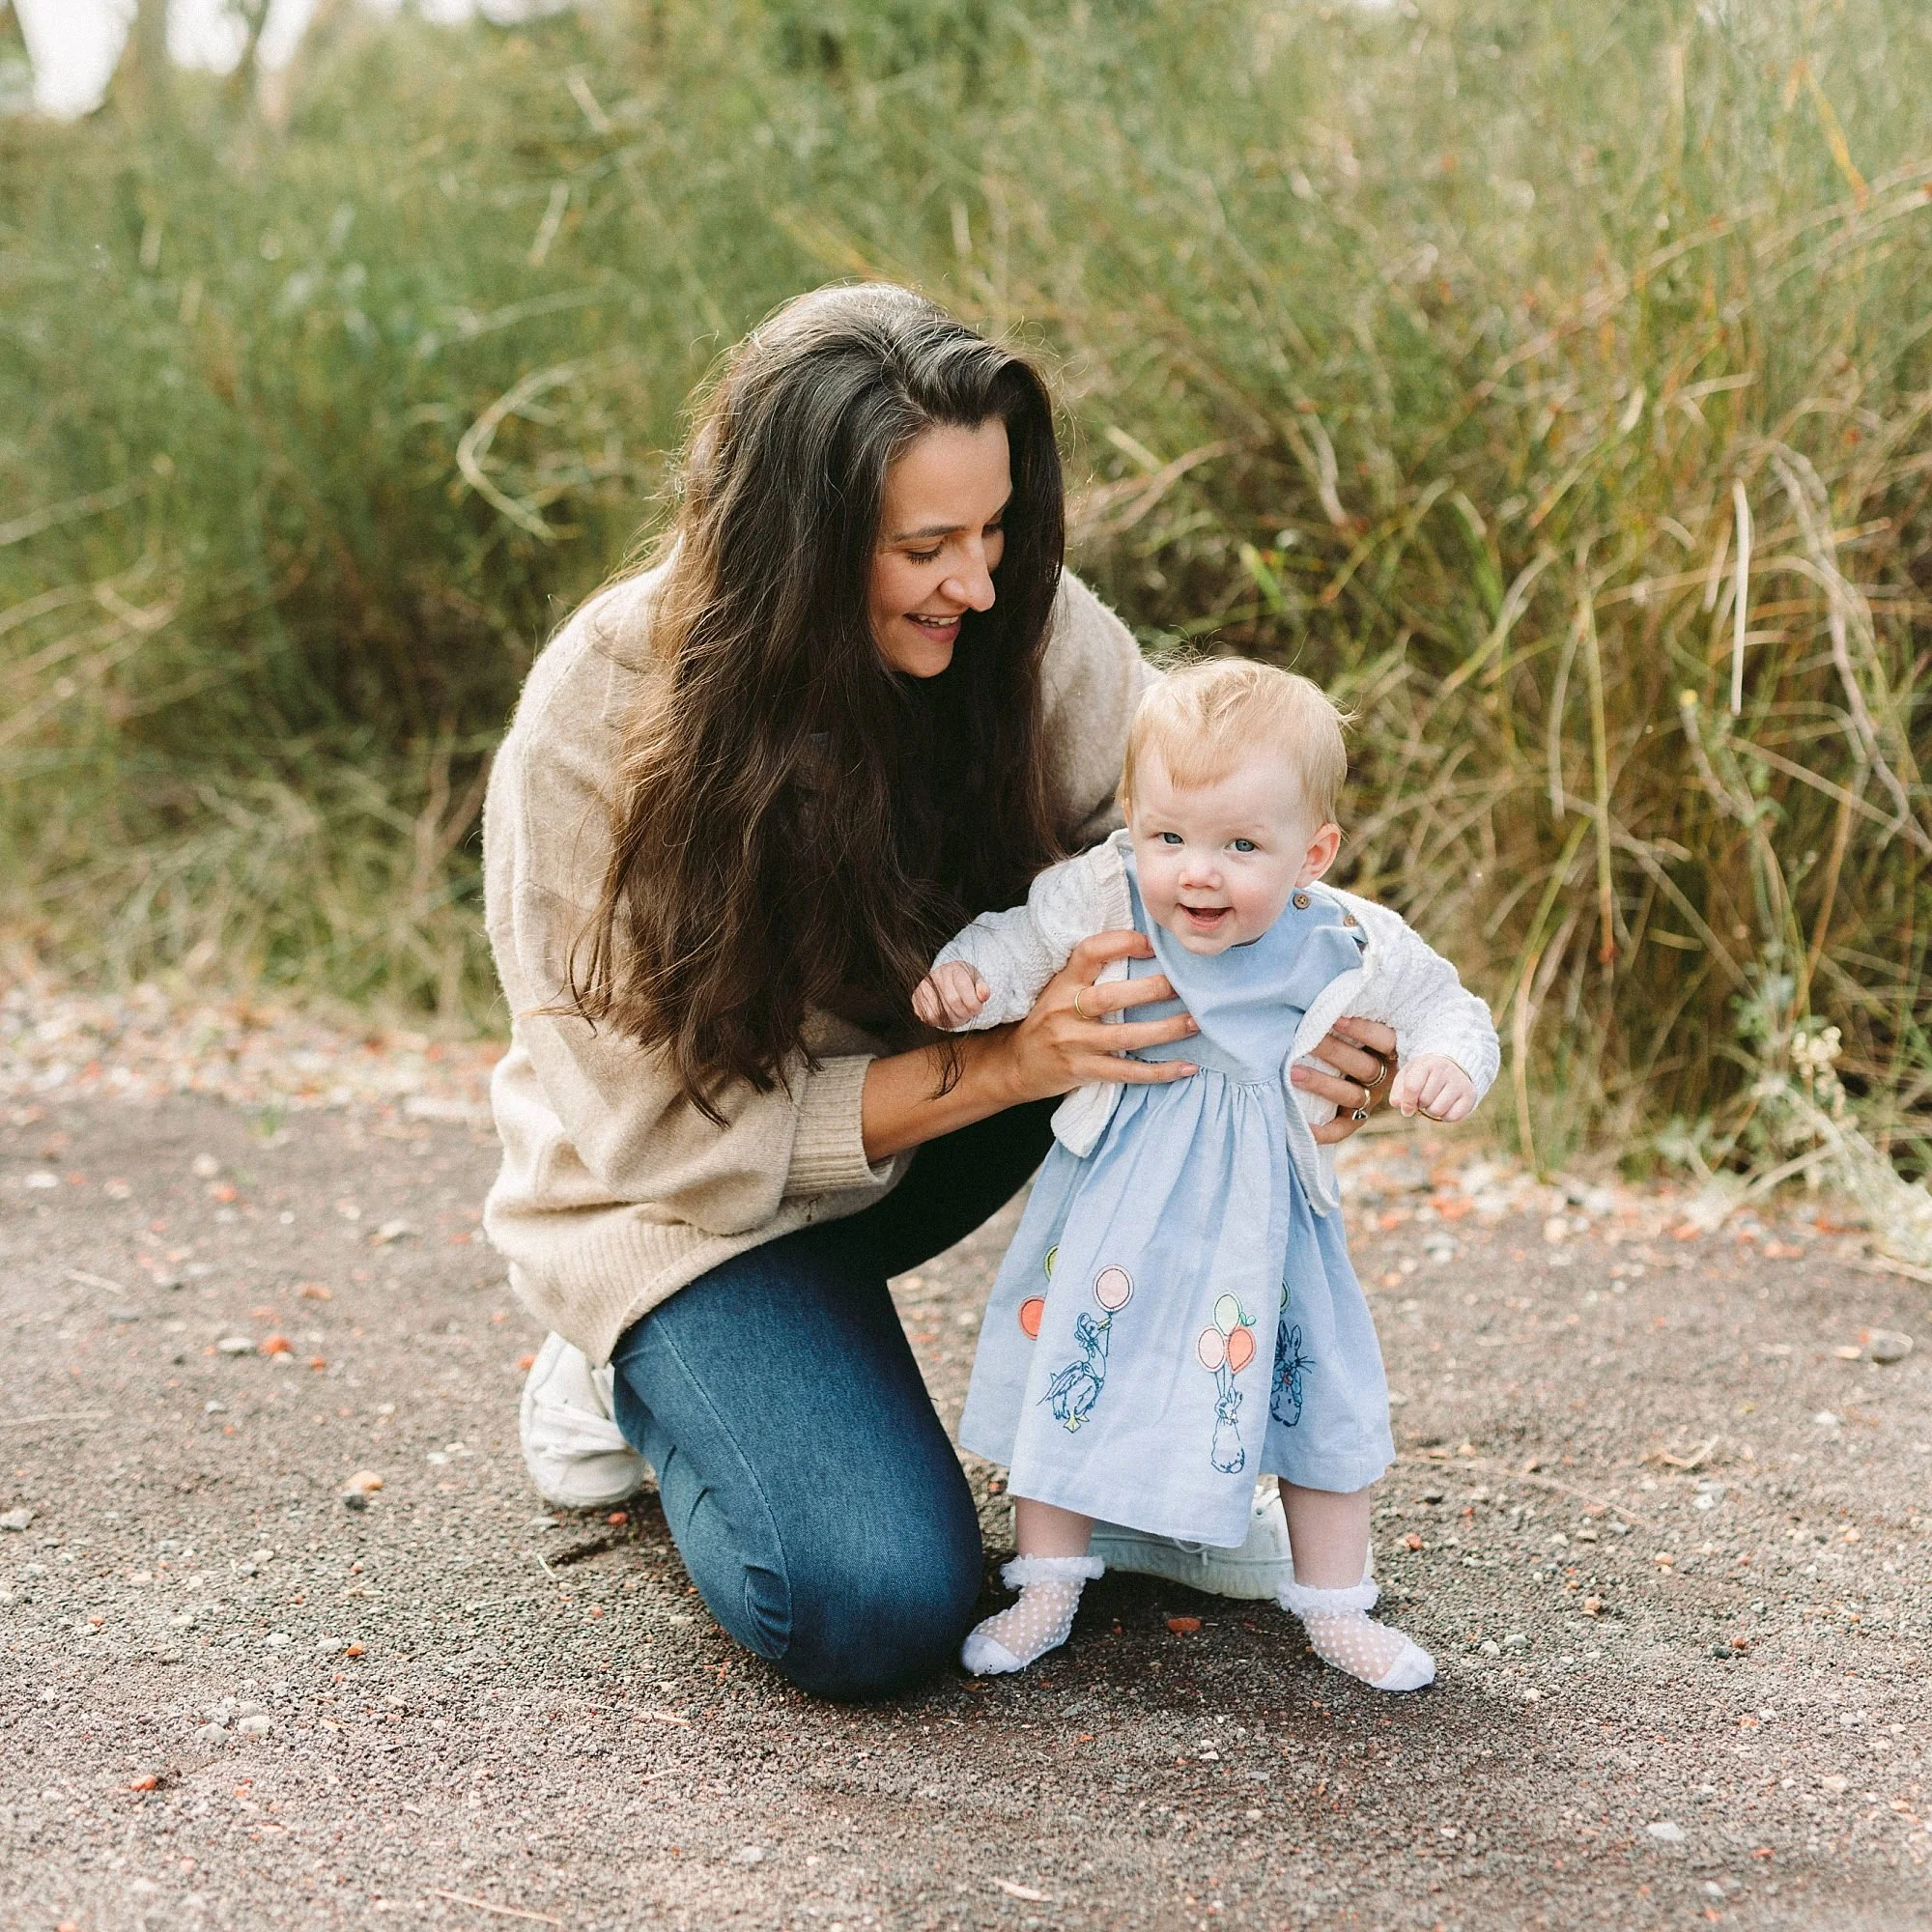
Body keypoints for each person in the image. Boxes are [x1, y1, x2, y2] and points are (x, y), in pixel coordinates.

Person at [483, 282, 1401, 1700]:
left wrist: (1326, 1013)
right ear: (788, 545)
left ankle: (1156, 1458)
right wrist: (1021, 1063)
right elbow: (653, 1137)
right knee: (876, 1604)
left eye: (995, 529)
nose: (976, 582)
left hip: (915, 1139)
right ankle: (624, 1367)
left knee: (1172, 1010)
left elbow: (1194, 833)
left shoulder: (1018, 623)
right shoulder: (597, 714)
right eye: (924, 546)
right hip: (675, 1203)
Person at [912, 660, 1498, 1690]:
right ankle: (1046, 1580)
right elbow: (1016, 940)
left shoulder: (1345, 938)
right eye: (1169, 836)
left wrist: (1447, 1061)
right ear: (1131, 819)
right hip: (1118, 1201)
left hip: (1261, 1221)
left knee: (1312, 1391)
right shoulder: (1103, 890)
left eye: (1240, 846)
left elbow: (1448, 1005)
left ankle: (1335, 1605)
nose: (1196, 872)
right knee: (1073, 1376)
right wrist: (970, 980)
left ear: (1310, 851)